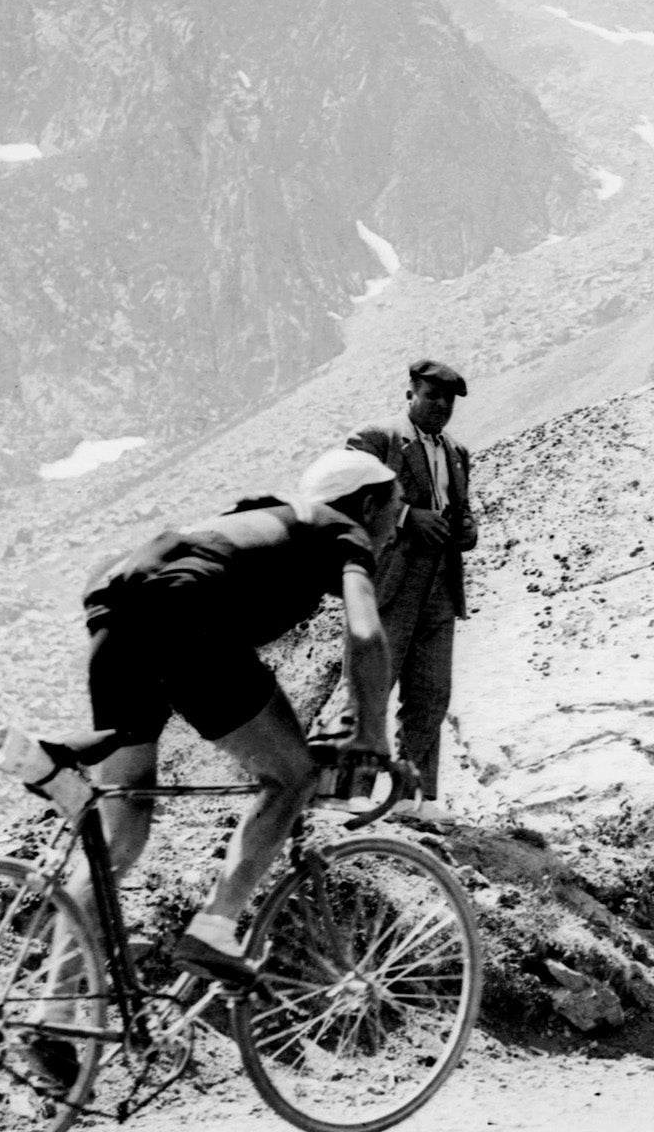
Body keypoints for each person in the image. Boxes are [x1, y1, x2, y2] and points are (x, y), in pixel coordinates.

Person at [70, 447, 401, 984]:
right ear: (367, 504)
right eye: (395, 509)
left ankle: (53, 1008)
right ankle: (216, 929)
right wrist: (371, 735)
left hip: (115, 613)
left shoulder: (263, 516)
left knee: (121, 832)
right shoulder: (345, 532)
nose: (395, 526)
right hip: (184, 613)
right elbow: (366, 633)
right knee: (291, 777)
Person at [340, 357, 479, 821]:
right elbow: (345, 497)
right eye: (431, 396)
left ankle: (411, 797)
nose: (440, 406)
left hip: (440, 586)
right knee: (371, 684)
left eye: (448, 400)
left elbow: (461, 509)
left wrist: (465, 529)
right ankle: (350, 792)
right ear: (410, 394)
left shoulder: (456, 452)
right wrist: (404, 517)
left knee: (431, 692)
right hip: (389, 583)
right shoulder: (377, 439)